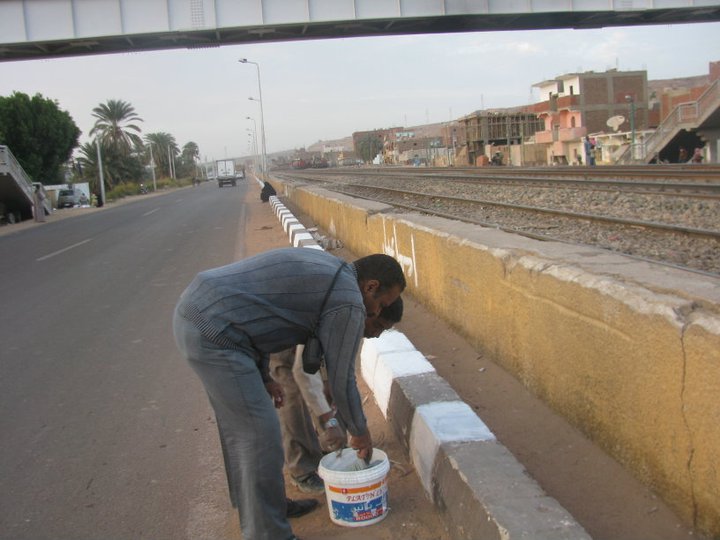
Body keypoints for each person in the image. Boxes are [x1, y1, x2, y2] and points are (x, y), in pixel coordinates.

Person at [173, 248, 406, 540]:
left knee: (244, 432)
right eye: (381, 304)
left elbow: (253, 315)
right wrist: (359, 432)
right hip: (213, 331)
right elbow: (342, 377)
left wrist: (263, 375)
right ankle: (268, 533)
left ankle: (266, 509)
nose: (375, 313)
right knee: (259, 436)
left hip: (208, 316)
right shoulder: (348, 299)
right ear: (370, 287)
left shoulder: (333, 273)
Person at [271, 297, 405, 495]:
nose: (376, 335)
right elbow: (302, 370)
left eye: (383, 330)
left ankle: (331, 450)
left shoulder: (353, 314)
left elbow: (337, 372)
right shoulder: (344, 312)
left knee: (330, 391)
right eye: (377, 325)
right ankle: (302, 469)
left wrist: (327, 382)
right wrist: (355, 429)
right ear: (371, 310)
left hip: (310, 337)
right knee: (293, 399)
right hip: (284, 337)